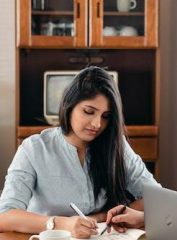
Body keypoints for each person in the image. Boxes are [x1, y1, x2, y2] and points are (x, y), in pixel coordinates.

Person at [0, 66, 160, 238]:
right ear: (70, 105)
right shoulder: (34, 149)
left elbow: (155, 196)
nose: (97, 124)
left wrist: (108, 217)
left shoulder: (115, 144)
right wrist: (61, 223)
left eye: (106, 116)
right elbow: (5, 216)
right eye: (89, 112)